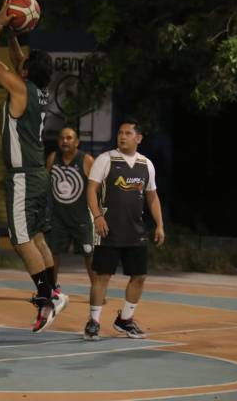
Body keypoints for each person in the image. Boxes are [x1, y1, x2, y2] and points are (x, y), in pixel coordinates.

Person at [0, 0, 68, 333]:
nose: (19, 64)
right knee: (37, 238)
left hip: (22, 177)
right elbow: (19, 61)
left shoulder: (20, 88)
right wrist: (16, 35)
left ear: (26, 73)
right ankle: (54, 290)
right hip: (37, 175)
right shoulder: (38, 91)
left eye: (23, 64)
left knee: (20, 241)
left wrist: (0, 24)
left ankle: (46, 296)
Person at [83, 120, 165, 341]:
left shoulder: (146, 164)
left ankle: (125, 320)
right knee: (102, 276)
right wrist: (97, 216)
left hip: (135, 230)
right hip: (107, 229)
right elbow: (91, 189)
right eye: (120, 133)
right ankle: (93, 322)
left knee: (139, 276)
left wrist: (160, 224)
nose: (123, 136)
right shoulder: (106, 159)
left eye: (128, 133)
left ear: (138, 138)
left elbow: (152, 196)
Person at [46, 127, 96, 287]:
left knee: (89, 255)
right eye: (62, 138)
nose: (65, 141)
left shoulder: (87, 160)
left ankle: (97, 290)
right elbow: (45, 184)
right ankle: (50, 289)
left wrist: (99, 214)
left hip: (81, 218)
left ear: (77, 142)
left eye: (69, 138)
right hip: (58, 218)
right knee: (52, 254)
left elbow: (97, 188)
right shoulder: (53, 158)